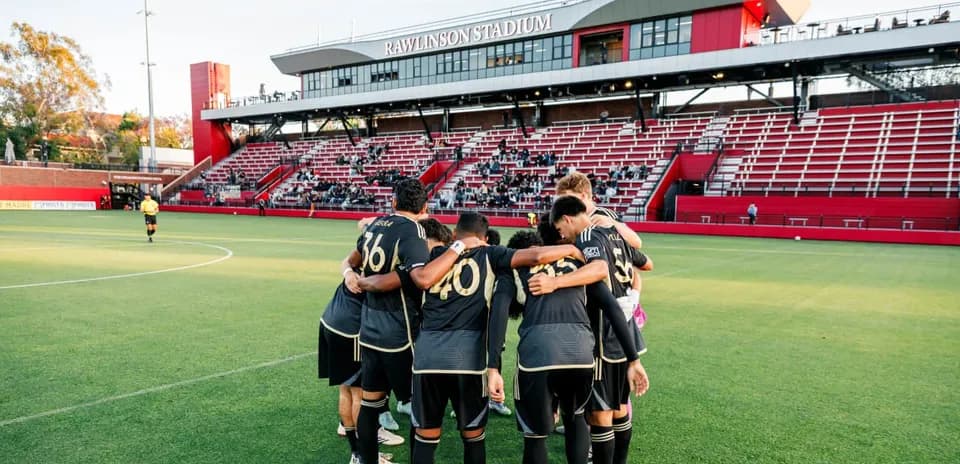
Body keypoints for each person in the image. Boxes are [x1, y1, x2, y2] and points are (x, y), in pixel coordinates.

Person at [359, 213, 580, 464]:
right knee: (473, 436)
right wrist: (575, 249)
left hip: (427, 356)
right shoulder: (492, 254)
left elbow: (391, 281)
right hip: (469, 359)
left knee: (425, 436)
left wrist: (357, 278)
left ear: (454, 234)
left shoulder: (432, 258)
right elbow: (537, 255)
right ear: (485, 239)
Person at [340, 179, 483, 464]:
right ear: (425, 207)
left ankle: (365, 460)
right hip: (400, 331)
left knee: (370, 403)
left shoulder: (375, 225)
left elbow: (350, 261)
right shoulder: (413, 230)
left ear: (393, 202)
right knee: (420, 408)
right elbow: (420, 277)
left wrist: (353, 276)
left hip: (369, 328)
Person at [488, 224, 648, 464]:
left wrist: (493, 367)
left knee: (536, 435)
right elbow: (613, 308)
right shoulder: (579, 265)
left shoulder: (514, 267)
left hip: (537, 356)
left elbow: (498, 316)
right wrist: (633, 360)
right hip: (581, 355)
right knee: (576, 421)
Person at [531, 196, 651, 464]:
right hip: (625, 327)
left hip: (602, 331)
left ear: (567, 218)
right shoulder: (612, 231)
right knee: (620, 408)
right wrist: (631, 294)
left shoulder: (586, 236)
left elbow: (597, 269)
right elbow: (646, 263)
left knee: (600, 413)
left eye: (560, 228)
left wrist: (555, 282)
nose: (561, 235)